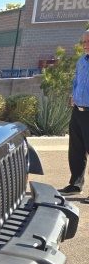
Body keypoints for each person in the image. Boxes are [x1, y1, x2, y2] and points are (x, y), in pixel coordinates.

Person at [59, 29, 89, 201]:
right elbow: (76, 80)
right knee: (76, 150)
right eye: (83, 42)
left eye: (88, 41)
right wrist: (73, 96)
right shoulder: (81, 61)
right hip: (78, 111)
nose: (85, 45)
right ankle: (75, 185)